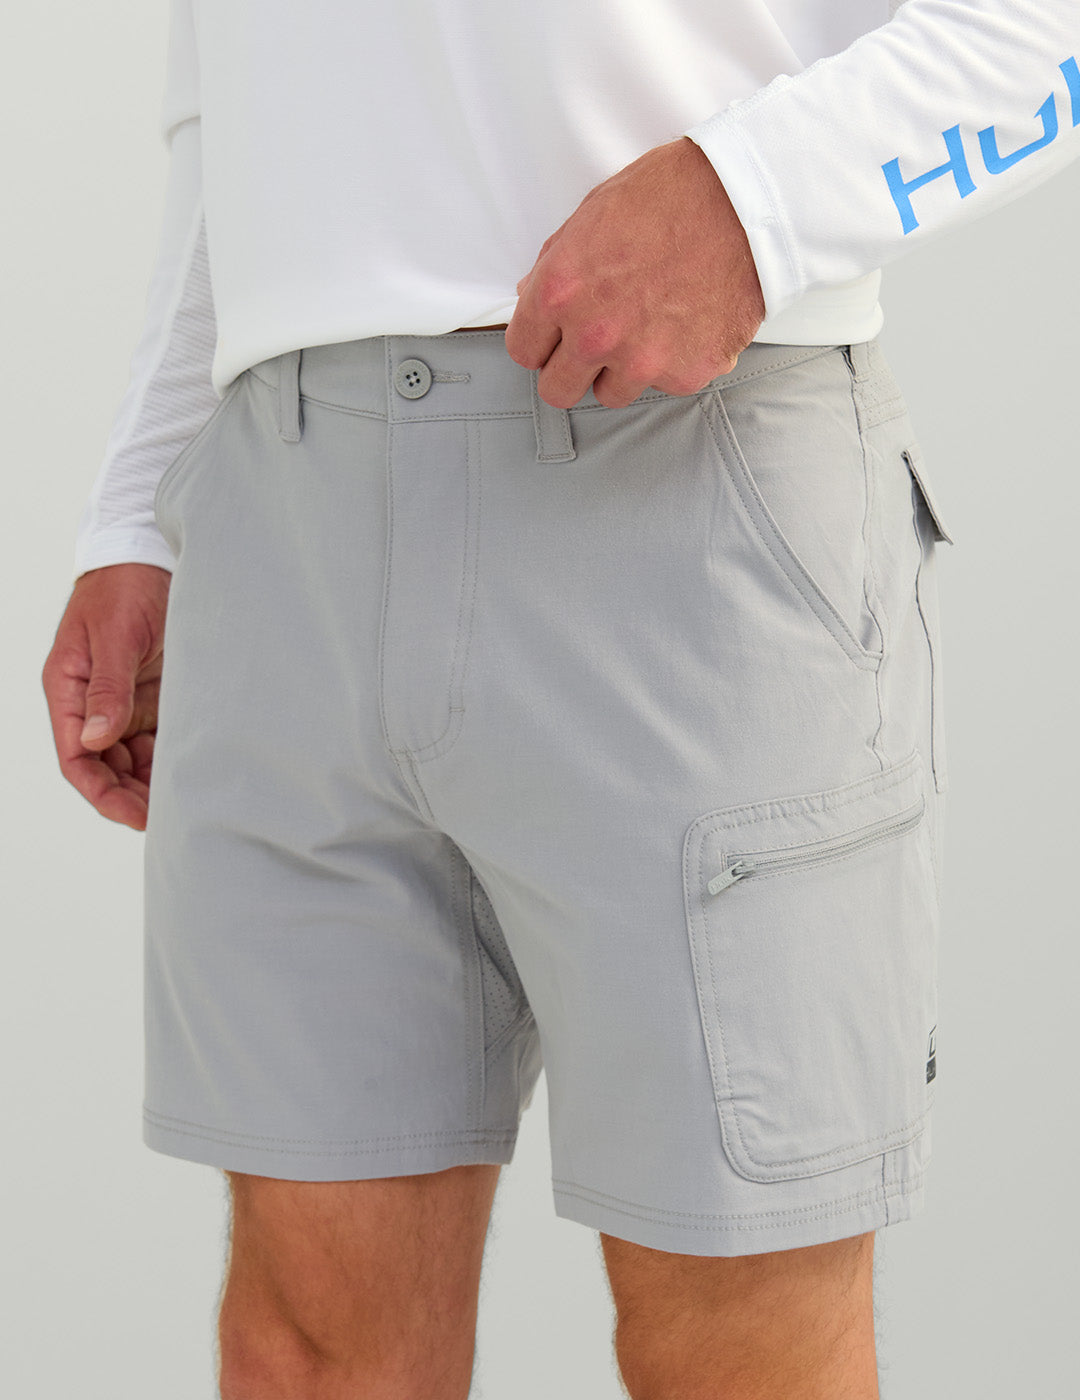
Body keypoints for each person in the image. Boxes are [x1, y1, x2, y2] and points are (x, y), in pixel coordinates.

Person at [41, 1, 1078, 1396]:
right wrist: (141, 507)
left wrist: (752, 202)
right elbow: (231, 102)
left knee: (737, 1341)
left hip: (687, 485)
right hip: (281, 523)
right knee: (304, 1349)